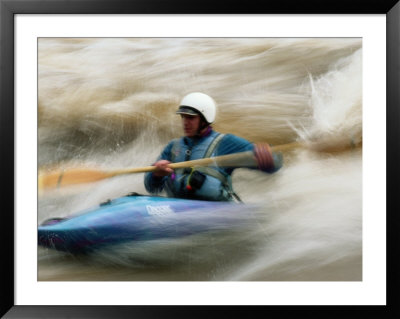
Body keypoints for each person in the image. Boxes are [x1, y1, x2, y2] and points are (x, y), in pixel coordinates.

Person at [144, 92, 283, 202]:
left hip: (215, 212)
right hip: (179, 211)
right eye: (183, 117)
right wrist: (156, 175)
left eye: (191, 118)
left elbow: (275, 163)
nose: (185, 122)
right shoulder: (173, 147)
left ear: (205, 119)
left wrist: (270, 160)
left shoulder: (226, 143)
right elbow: (152, 188)